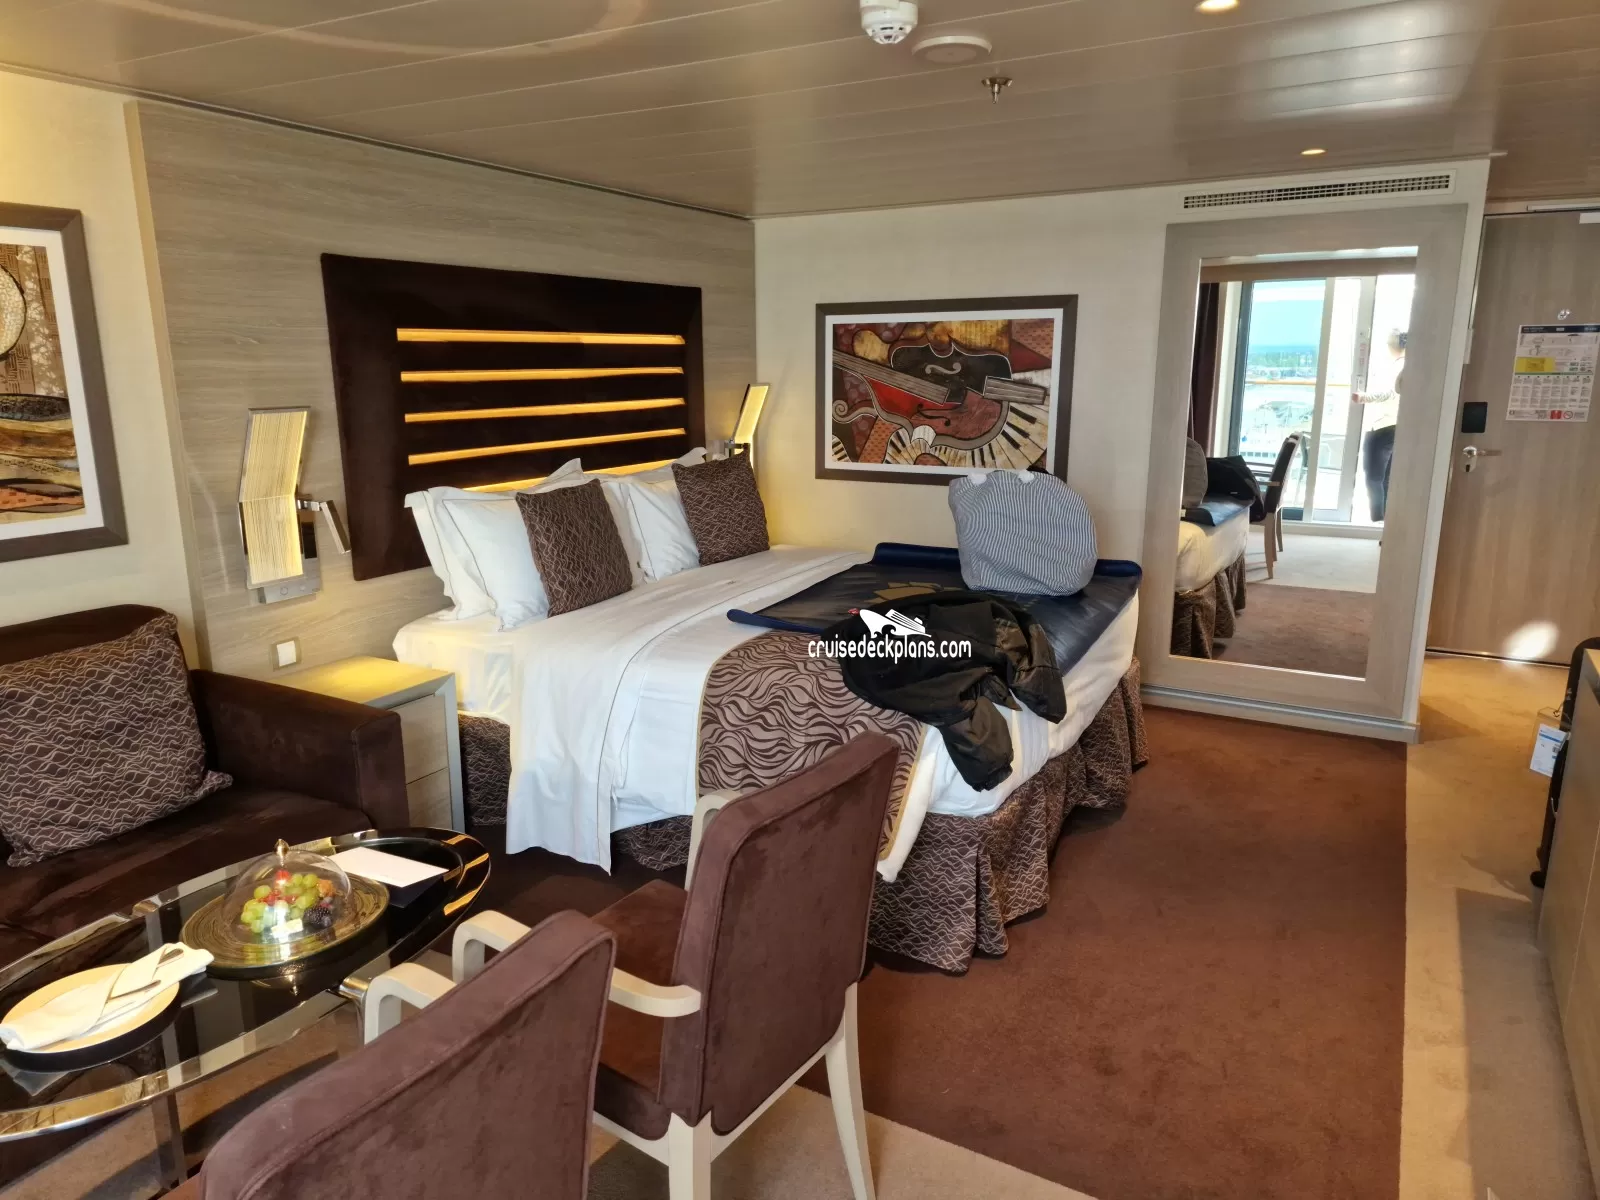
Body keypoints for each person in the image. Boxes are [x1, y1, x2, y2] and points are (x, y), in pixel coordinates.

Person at [1355, 330, 1405, 522]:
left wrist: (1364, 397)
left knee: (1374, 477)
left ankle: (1378, 519)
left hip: (1384, 426)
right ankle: (1383, 521)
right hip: (1393, 425)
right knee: (1385, 478)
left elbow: (1390, 393)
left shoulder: (1398, 366)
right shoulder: (1406, 365)